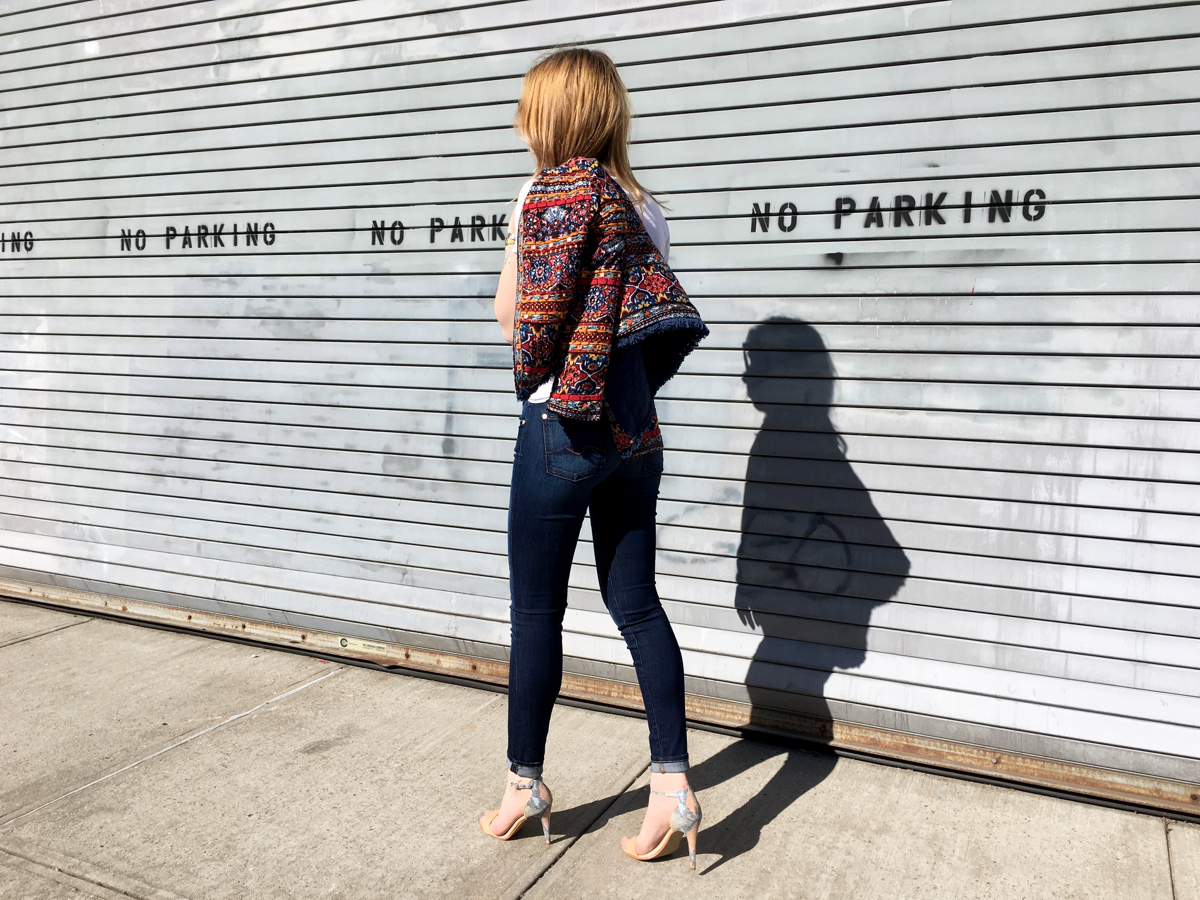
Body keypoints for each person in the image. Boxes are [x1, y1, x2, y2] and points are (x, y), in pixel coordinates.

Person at [477, 48, 709, 869]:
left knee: (537, 611)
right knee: (639, 606)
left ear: (552, 117)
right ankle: (673, 785)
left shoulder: (544, 196)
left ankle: (524, 784)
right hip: (636, 435)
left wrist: (515, 251)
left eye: (526, 107)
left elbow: (517, 324)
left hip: (561, 432)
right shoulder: (648, 209)